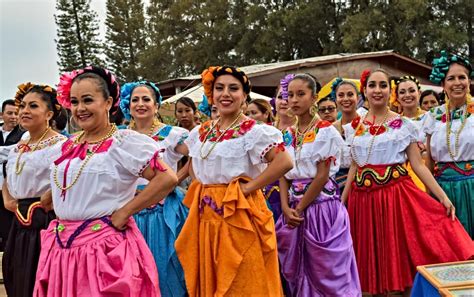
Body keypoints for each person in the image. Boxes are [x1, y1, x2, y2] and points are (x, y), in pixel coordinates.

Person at [33, 66, 178, 296]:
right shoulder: (68, 145)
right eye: (75, 101)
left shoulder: (123, 143)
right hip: (62, 249)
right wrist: (53, 194)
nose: (80, 108)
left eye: (88, 100)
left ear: (108, 102)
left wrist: (124, 213)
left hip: (104, 250)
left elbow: (167, 177)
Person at [342, 68, 473, 295]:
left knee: (398, 265)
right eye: (372, 85)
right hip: (361, 202)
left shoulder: (403, 125)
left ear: (389, 92)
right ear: (364, 90)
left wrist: (442, 197)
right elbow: (354, 165)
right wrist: (342, 202)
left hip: (394, 199)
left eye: (383, 85)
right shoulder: (354, 127)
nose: (377, 90)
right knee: (367, 271)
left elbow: (419, 164)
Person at [175, 66, 293, 296]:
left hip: (240, 212)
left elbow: (284, 162)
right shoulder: (202, 131)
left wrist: (249, 187)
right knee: (214, 276)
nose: (225, 94)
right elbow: (191, 163)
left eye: (233, 88)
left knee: (244, 276)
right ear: (212, 95)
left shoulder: (254, 131)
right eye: (219, 88)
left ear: (244, 96)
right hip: (206, 216)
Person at [275, 74, 361, 296]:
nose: (294, 100)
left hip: (321, 208)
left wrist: (300, 207)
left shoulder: (326, 132)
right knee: (298, 268)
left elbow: (322, 175)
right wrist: (285, 207)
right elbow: (283, 173)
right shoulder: (286, 135)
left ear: (314, 97)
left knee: (326, 268)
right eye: (290, 95)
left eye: (301, 94)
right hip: (294, 208)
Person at [120, 80, 189, 297]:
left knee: (167, 268)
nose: (140, 104)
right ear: (127, 105)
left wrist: (175, 179)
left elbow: (197, 155)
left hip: (164, 212)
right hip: (130, 210)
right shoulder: (119, 136)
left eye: (146, 99)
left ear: (156, 105)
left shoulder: (171, 134)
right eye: (135, 100)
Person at [2, 83, 66, 297]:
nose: (24, 111)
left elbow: (67, 182)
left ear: (49, 114)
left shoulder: (60, 145)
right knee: (16, 275)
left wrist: (49, 198)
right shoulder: (21, 143)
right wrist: (7, 199)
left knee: (40, 278)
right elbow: (7, 175)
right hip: (18, 222)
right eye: (23, 106)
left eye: (33, 106)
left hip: (46, 223)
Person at [425, 51, 474, 238]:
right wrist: (429, 195)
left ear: (469, 82)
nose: (457, 83)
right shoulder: (433, 116)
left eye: (462, 77)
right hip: (443, 189)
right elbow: (428, 160)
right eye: (451, 78)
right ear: (443, 84)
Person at [393, 75, 428, 191]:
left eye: (412, 91)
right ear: (397, 97)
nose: (407, 95)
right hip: (401, 174)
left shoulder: (431, 118)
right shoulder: (393, 123)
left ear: (419, 93)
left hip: (429, 170)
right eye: (402, 92)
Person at [0, 99, 25, 252]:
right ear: (2, 115)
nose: (14, 117)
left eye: (16, 113)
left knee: (8, 227)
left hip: (11, 189)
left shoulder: (24, 135)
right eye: (10, 113)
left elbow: (16, 152)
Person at [331, 78, 360, 191]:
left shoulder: (367, 124)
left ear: (357, 97)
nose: (346, 99)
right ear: (336, 99)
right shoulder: (331, 129)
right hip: (337, 184)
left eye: (350, 94)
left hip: (364, 181)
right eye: (341, 95)